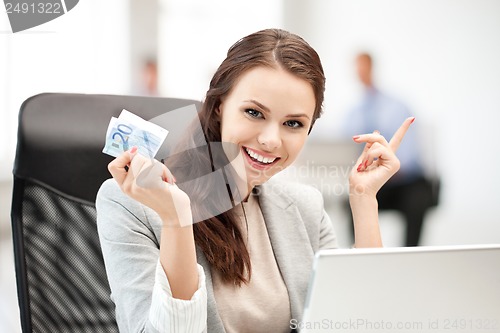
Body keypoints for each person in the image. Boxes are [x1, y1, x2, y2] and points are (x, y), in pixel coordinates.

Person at [96, 29, 414, 333]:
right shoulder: (129, 203)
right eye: (254, 113)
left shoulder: (305, 207)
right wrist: (176, 220)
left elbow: (357, 322)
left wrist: (363, 200)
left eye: (293, 123)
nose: (271, 140)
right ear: (219, 106)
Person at [343, 52, 433, 247]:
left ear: (372, 68)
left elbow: (409, 157)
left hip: (404, 182)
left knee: (417, 198)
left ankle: (411, 257)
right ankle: (359, 256)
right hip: (377, 181)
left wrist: (387, 168)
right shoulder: (353, 113)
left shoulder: (397, 106)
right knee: (352, 198)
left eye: (363, 67)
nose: (360, 72)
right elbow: (344, 149)